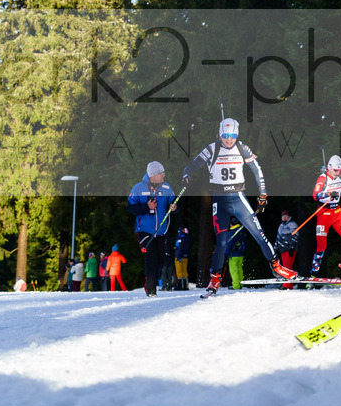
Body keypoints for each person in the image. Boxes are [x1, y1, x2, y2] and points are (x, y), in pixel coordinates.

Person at [182, 118, 296, 296]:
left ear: (237, 134)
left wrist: (263, 194)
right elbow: (193, 164)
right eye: (225, 135)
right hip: (219, 201)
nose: (229, 139)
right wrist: (187, 174)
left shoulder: (243, 148)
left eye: (232, 135)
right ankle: (215, 278)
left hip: (238, 198)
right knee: (221, 242)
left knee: (260, 236)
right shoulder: (212, 149)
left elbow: (257, 170)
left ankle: (276, 267)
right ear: (220, 134)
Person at [126, 160, 178, 297]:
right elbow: (130, 207)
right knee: (151, 258)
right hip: (145, 231)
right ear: (152, 175)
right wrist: (146, 207)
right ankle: (150, 288)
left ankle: (154, 280)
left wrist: (174, 206)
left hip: (162, 231)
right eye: (161, 173)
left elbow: (173, 202)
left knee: (162, 260)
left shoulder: (166, 187)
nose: (163, 175)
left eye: (163, 173)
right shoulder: (138, 188)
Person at [275, 211, 299, 288]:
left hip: (289, 249)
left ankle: (286, 285)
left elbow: (295, 235)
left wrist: (292, 246)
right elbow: (278, 237)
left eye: (285, 216)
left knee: (287, 266)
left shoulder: (292, 224)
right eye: (283, 216)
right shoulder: (281, 225)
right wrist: (275, 247)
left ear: (289, 216)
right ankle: (290, 285)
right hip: (282, 249)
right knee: (285, 266)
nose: (284, 217)